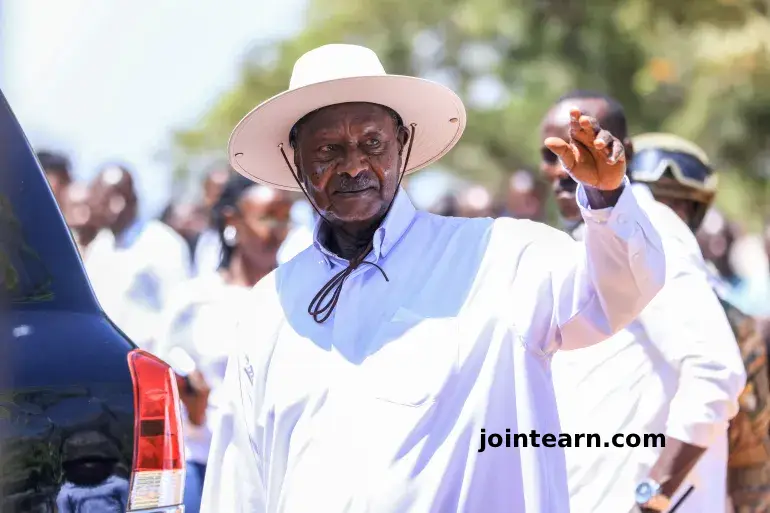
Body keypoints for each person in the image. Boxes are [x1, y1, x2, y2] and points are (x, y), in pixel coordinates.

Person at [201, 44, 667, 513]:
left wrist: (607, 200)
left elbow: (619, 290)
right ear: (295, 160)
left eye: (372, 143)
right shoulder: (271, 307)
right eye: (328, 150)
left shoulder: (501, 255)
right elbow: (241, 483)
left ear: (402, 143)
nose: (354, 165)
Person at [540, 92, 745, 513]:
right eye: (551, 154)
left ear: (623, 152)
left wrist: (652, 497)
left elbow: (715, 371)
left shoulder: (651, 230)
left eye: (579, 145)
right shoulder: (585, 240)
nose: (562, 167)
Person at [629, 132, 770, 513]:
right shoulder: (583, 289)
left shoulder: (730, 321)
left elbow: (752, 458)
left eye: (677, 205)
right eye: (651, 201)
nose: (663, 214)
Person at [156, 174, 292, 513]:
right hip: (203, 465)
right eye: (266, 217)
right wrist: (192, 406)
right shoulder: (194, 300)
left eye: (284, 218)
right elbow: (161, 377)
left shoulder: (300, 299)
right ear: (233, 221)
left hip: (277, 474)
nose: (277, 230)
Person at [83, 164, 190, 353]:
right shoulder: (101, 243)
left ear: (117, 203)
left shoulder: (161, 242)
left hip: (146, 361)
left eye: (98, 201)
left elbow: (179, 311)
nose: (91, 209)